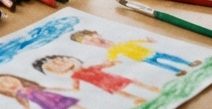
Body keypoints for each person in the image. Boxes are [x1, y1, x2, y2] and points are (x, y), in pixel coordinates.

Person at [32, 54, 159, 104]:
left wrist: (110, 63)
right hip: (102, 83)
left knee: (129, 81)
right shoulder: (75, 76)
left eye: (60, 60)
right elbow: (75, 87)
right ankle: (136, 98)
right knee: (118, 90)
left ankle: (150, 87)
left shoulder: (86, 69)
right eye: (54, 66)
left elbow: (100, 66)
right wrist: (54, 88)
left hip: (108, 77)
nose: (60, 63)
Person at [70, 29, 199, 75]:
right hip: (141, 58)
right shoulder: (112, 50)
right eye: (86, 41)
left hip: (148, 51)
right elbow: (112, 57)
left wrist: (147, 41)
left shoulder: (119, 40)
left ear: (95, 33)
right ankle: (178, 71)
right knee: (160, 65)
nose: (92, 41)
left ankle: (189, 63)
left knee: (169, 57)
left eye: (90, 37)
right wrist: (111, 62)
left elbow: (135, 41)